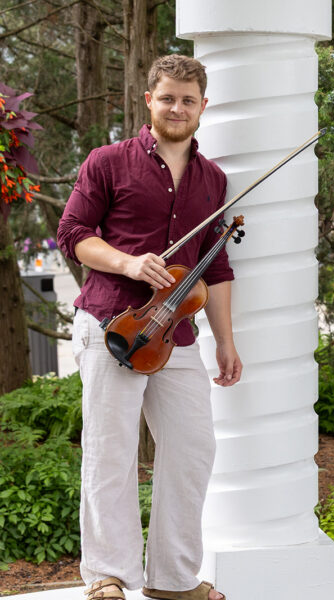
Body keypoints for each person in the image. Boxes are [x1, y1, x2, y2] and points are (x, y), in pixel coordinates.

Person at [57, 54, 240, 600]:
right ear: (149, 101)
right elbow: (73, 232)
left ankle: (173, 580)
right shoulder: (108, 161)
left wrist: (226, 341)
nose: (177, 108)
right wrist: (130, 262)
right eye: (168, 98)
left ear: (203, 107)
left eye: (188, 100)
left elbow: (217, 266)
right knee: (110, 451)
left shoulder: (213, 179)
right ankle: (108, 575)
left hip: (178, 336)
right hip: (113, 325)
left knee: (192, 449)